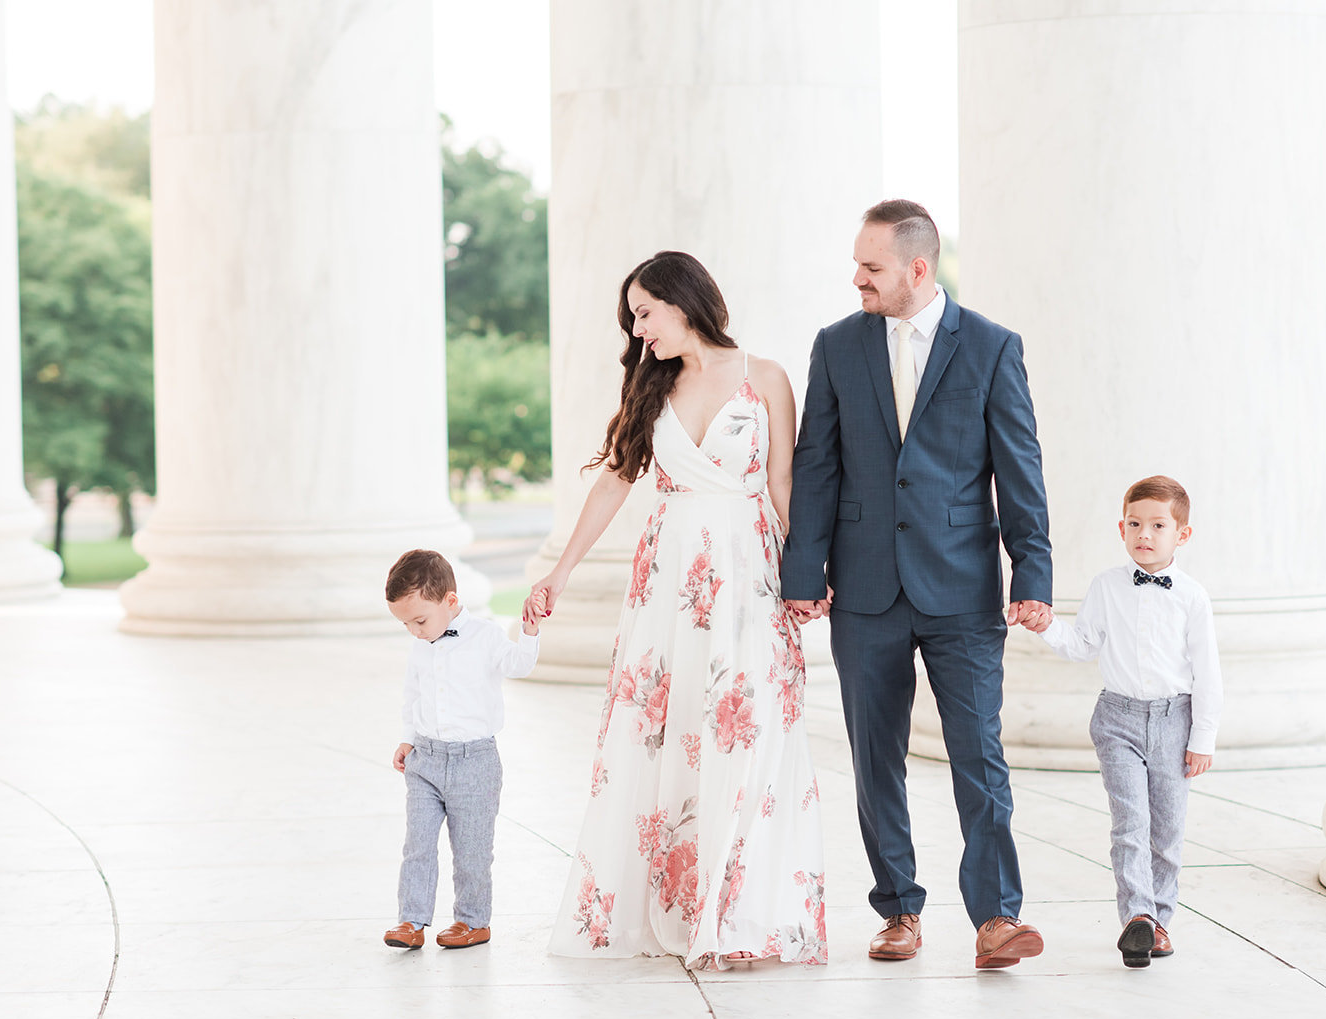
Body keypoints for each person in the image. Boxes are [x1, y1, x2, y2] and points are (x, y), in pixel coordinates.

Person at [534, 251, 826, 970]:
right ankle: (679, 907)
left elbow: (784, 480)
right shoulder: (648, 384)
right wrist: (560, 571)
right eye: (632, 319)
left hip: (746, 573)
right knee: (669, 734)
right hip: (669, 582)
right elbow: (615, 480)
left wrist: (810, 573)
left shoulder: (767, 378)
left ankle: (740, 914)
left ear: (682, 299)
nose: (638, 333)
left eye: (643, 313)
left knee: (747, 732)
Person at [782, 199, 1054, 969]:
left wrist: (1031, 571)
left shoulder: (993, 347)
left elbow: (1019, 468)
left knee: (979, 752)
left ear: (917, 268)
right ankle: (898, 908)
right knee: (876, 757)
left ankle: (997, 917)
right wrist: (803, 573)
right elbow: (816, 464)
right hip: (863, 587)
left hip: (963, 587)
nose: (857, 278)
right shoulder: (836, 346)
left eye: (871, 267)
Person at [1031, 475, 1222, 968]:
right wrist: (1047, 623)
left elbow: (1208, 674)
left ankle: (1160, 919)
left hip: (1174, 720)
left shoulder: (1192, 598)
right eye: (1135, 523)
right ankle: (1136, 918)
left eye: (1159, 525)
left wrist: (1203, 737)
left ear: (1182, 534)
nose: (1145, 534)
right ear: (1121, 527)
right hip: (1116, 718)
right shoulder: (1106, 586)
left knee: (1167, 830)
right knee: (1130, 823)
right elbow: (1083, 645)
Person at [381, 549, 544, 950]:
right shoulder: (421, 646)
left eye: (420, 620)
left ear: (450, 601)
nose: (415, 631)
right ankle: (411, 919)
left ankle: (472, 921)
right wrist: (408, 737)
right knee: (417, 844)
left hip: (475, 763)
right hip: (425, 760)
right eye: (406, 624)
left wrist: (529, 630)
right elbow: (413, 695)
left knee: (471, 850)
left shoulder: (486, 637)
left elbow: (520, 664)